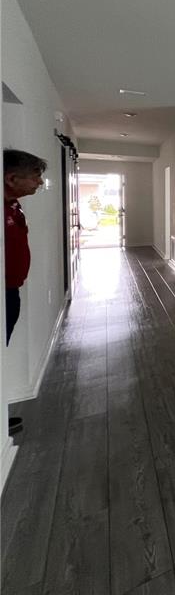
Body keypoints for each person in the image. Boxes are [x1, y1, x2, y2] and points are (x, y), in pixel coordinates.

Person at [4, 149, 47, 436]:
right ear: (11, 178)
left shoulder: (14, 207)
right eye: (35, 177)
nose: (39, 183)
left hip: (10, 289)